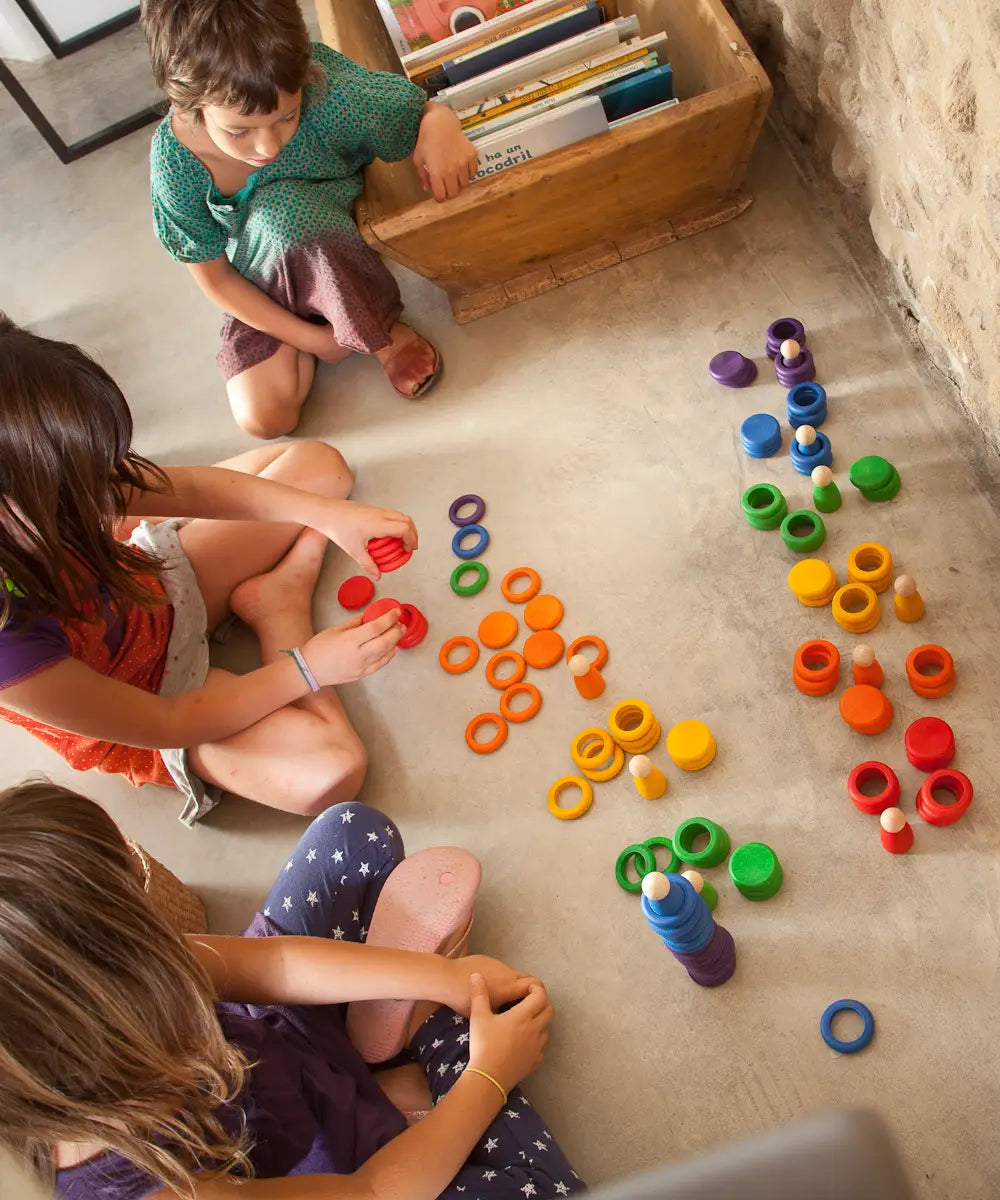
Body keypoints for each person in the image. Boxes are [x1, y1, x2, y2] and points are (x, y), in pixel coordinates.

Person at [0, 780, 585, 1200]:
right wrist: (488, 1076)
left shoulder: (102, 994)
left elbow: (276, 964)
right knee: (536, 1190)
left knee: (354, 834)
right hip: (337, 1171)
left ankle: (388, 1064)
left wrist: (446, 977)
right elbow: (372, 1190)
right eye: (137, 909)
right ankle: (420, 1072)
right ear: (111, 989)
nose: (157, 912)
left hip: (272, 1056)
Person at [0, 315, 415, 824]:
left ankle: (276, 593)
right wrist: (308, 668)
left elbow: (190, 488)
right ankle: (280, 612)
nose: (102, 493)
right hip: (157, 697)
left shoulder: (48, 473)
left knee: (319, 468)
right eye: (77, 494)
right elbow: (169, 721)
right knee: (333, 774)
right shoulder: (7, 645)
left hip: (152, 591)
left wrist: (330, 515)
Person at [141, 0, 479, 439]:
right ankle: (325, 317)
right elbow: (216, 279)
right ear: (188, 102)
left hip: (314, 232)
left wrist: (441, 123)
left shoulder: (329, 88)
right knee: (265, 420)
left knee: (285, 221)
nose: (268, 146)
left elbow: (418, 109)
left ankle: (377, 329)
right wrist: (309, 340)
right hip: (257, 272)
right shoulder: (174, 163)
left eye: (287, 116)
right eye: (239, 131)